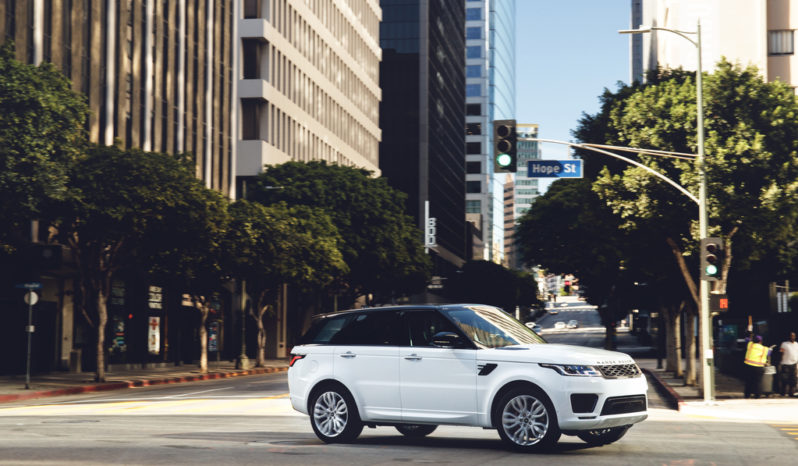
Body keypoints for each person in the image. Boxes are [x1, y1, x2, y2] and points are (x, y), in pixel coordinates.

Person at [779, 332, 798, 397]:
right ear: (789, 337)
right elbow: (781, 353)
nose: (792, 337)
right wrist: (780, 361)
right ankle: (783, 392)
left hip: (794, 364)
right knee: (784, 379)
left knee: (793, 379)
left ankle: (791, 393)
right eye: (791, 336)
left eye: (793, 336)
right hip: (785, 363)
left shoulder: (796, 344)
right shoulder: (784, 344)